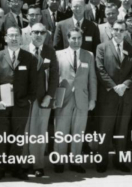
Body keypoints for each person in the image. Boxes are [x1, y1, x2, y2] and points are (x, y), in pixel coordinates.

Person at [0, 27, 37, 181]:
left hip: (21, 105)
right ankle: (0, 169)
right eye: (11, 35)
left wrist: (29, 99)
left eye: (17, 35)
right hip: (2, 105)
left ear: (21, 38)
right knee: (1, 137)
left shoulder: (29, 57)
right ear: (5, 38)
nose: (14, 38)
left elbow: (33, 83)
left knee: (18, 138)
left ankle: (16, 168)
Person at [95, 19, 132, 172]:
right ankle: (102, 161)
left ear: (126, 32)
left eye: (122, 30)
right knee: (105, 129)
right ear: (112, 31)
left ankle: (120, 161)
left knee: (122, 130)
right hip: (109, 96)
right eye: (116, 29)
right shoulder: (102, 48)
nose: (119, 33)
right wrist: (114, 87)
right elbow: (100, 70)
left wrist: (125, 85)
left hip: (126, 96)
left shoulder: (131, 49)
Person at [54, 28, 97, 174]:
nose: (76, 41)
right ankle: (59, 161)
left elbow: (92, 79)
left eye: (79, 38)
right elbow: (54, 78)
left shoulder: (89, 55)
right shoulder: (58, 54)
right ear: (68, 39)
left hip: (82, 98)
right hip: (63, 97)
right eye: (73, 38)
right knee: (61, 130)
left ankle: (75, 161)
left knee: (78, 131)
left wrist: (93, 99)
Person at [24, 23, 59, 177]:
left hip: (43, 99)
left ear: (46, 35)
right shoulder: (22, 50)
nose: (38, 35)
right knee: (24, 132)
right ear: (30, 33)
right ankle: (24, 163)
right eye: (35, 32)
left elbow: (54, 76)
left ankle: (38, 165)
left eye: (42, 32)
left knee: (39, 133)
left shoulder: (50, 52)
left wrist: (49, 96)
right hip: (25, 100)